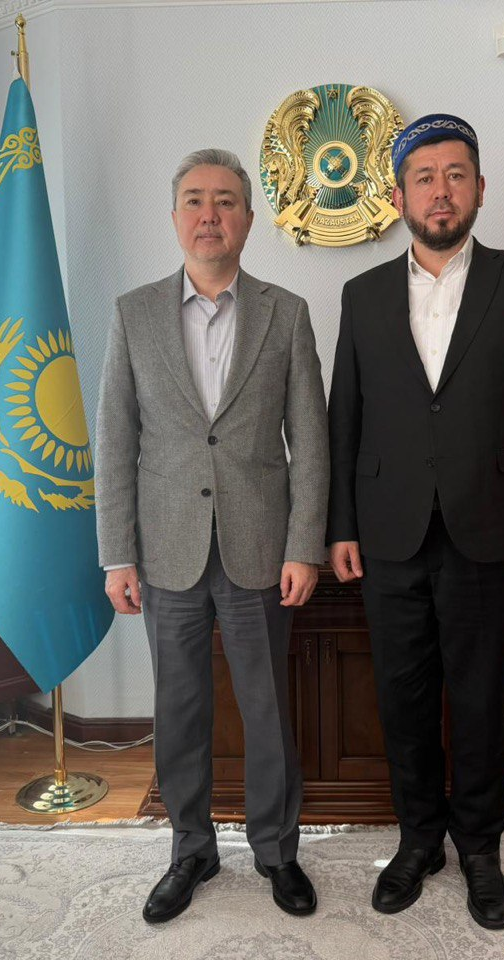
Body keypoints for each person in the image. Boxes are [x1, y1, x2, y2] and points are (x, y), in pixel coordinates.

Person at [326, 115, 504, 930]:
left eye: (456, 175)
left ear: (479, 188)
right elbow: (344, 420)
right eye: (425, 177)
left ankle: (479, 848)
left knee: (479, 700)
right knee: (402, 701)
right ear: (400, 195)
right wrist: (340, 527)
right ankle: (418, 841)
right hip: (387, 532)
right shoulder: (361, 295)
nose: (441, 191)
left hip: (492, 530)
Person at [95, 148, 328, 923]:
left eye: (225, 201)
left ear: (248, 220)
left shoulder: (286, 313)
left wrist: (304, 546)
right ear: (174, 218)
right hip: (165, 552)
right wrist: (117, 555)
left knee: (267, 710)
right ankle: (190, 850)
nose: (209, 214)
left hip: (260, 549)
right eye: (194, 200)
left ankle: (277, 852)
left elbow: (311, 442)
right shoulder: (132, 314)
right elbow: (115, 442)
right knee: (180, 710)